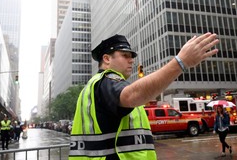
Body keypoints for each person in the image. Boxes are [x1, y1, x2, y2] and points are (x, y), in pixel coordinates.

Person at [69, 33, 219, 159]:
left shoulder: (98, 85)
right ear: (107, 59)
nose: (131, 60)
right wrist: (181, 62)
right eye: (125, 55)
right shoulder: (106, 81)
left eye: (132, 56)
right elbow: (132, 95)